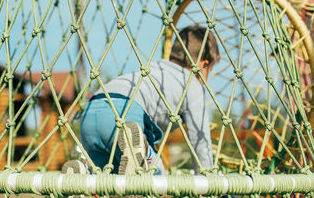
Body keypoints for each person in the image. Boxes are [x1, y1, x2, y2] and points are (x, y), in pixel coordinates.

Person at [79, 25, 220, 174]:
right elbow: (200, 142)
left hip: (91, 112)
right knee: (157, 179)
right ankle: (140, 151)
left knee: (103, 180)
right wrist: (207, 181)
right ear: (204, 65)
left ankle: (83, 177)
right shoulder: (192, 84)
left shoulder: (154, 68)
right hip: (125, 114)